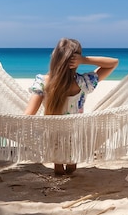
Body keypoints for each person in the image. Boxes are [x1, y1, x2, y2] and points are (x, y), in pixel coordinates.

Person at [24, 38, 119, 176]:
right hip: (76, 134)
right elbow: (113, 63)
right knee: (71, 168)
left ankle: (58, 171)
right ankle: (68, 174)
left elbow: (29, 114)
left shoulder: (42, 82)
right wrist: (84, 60)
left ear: (54, 57)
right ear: (76, 60)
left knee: (58, 166)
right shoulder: (84, 82)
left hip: (52, 134)